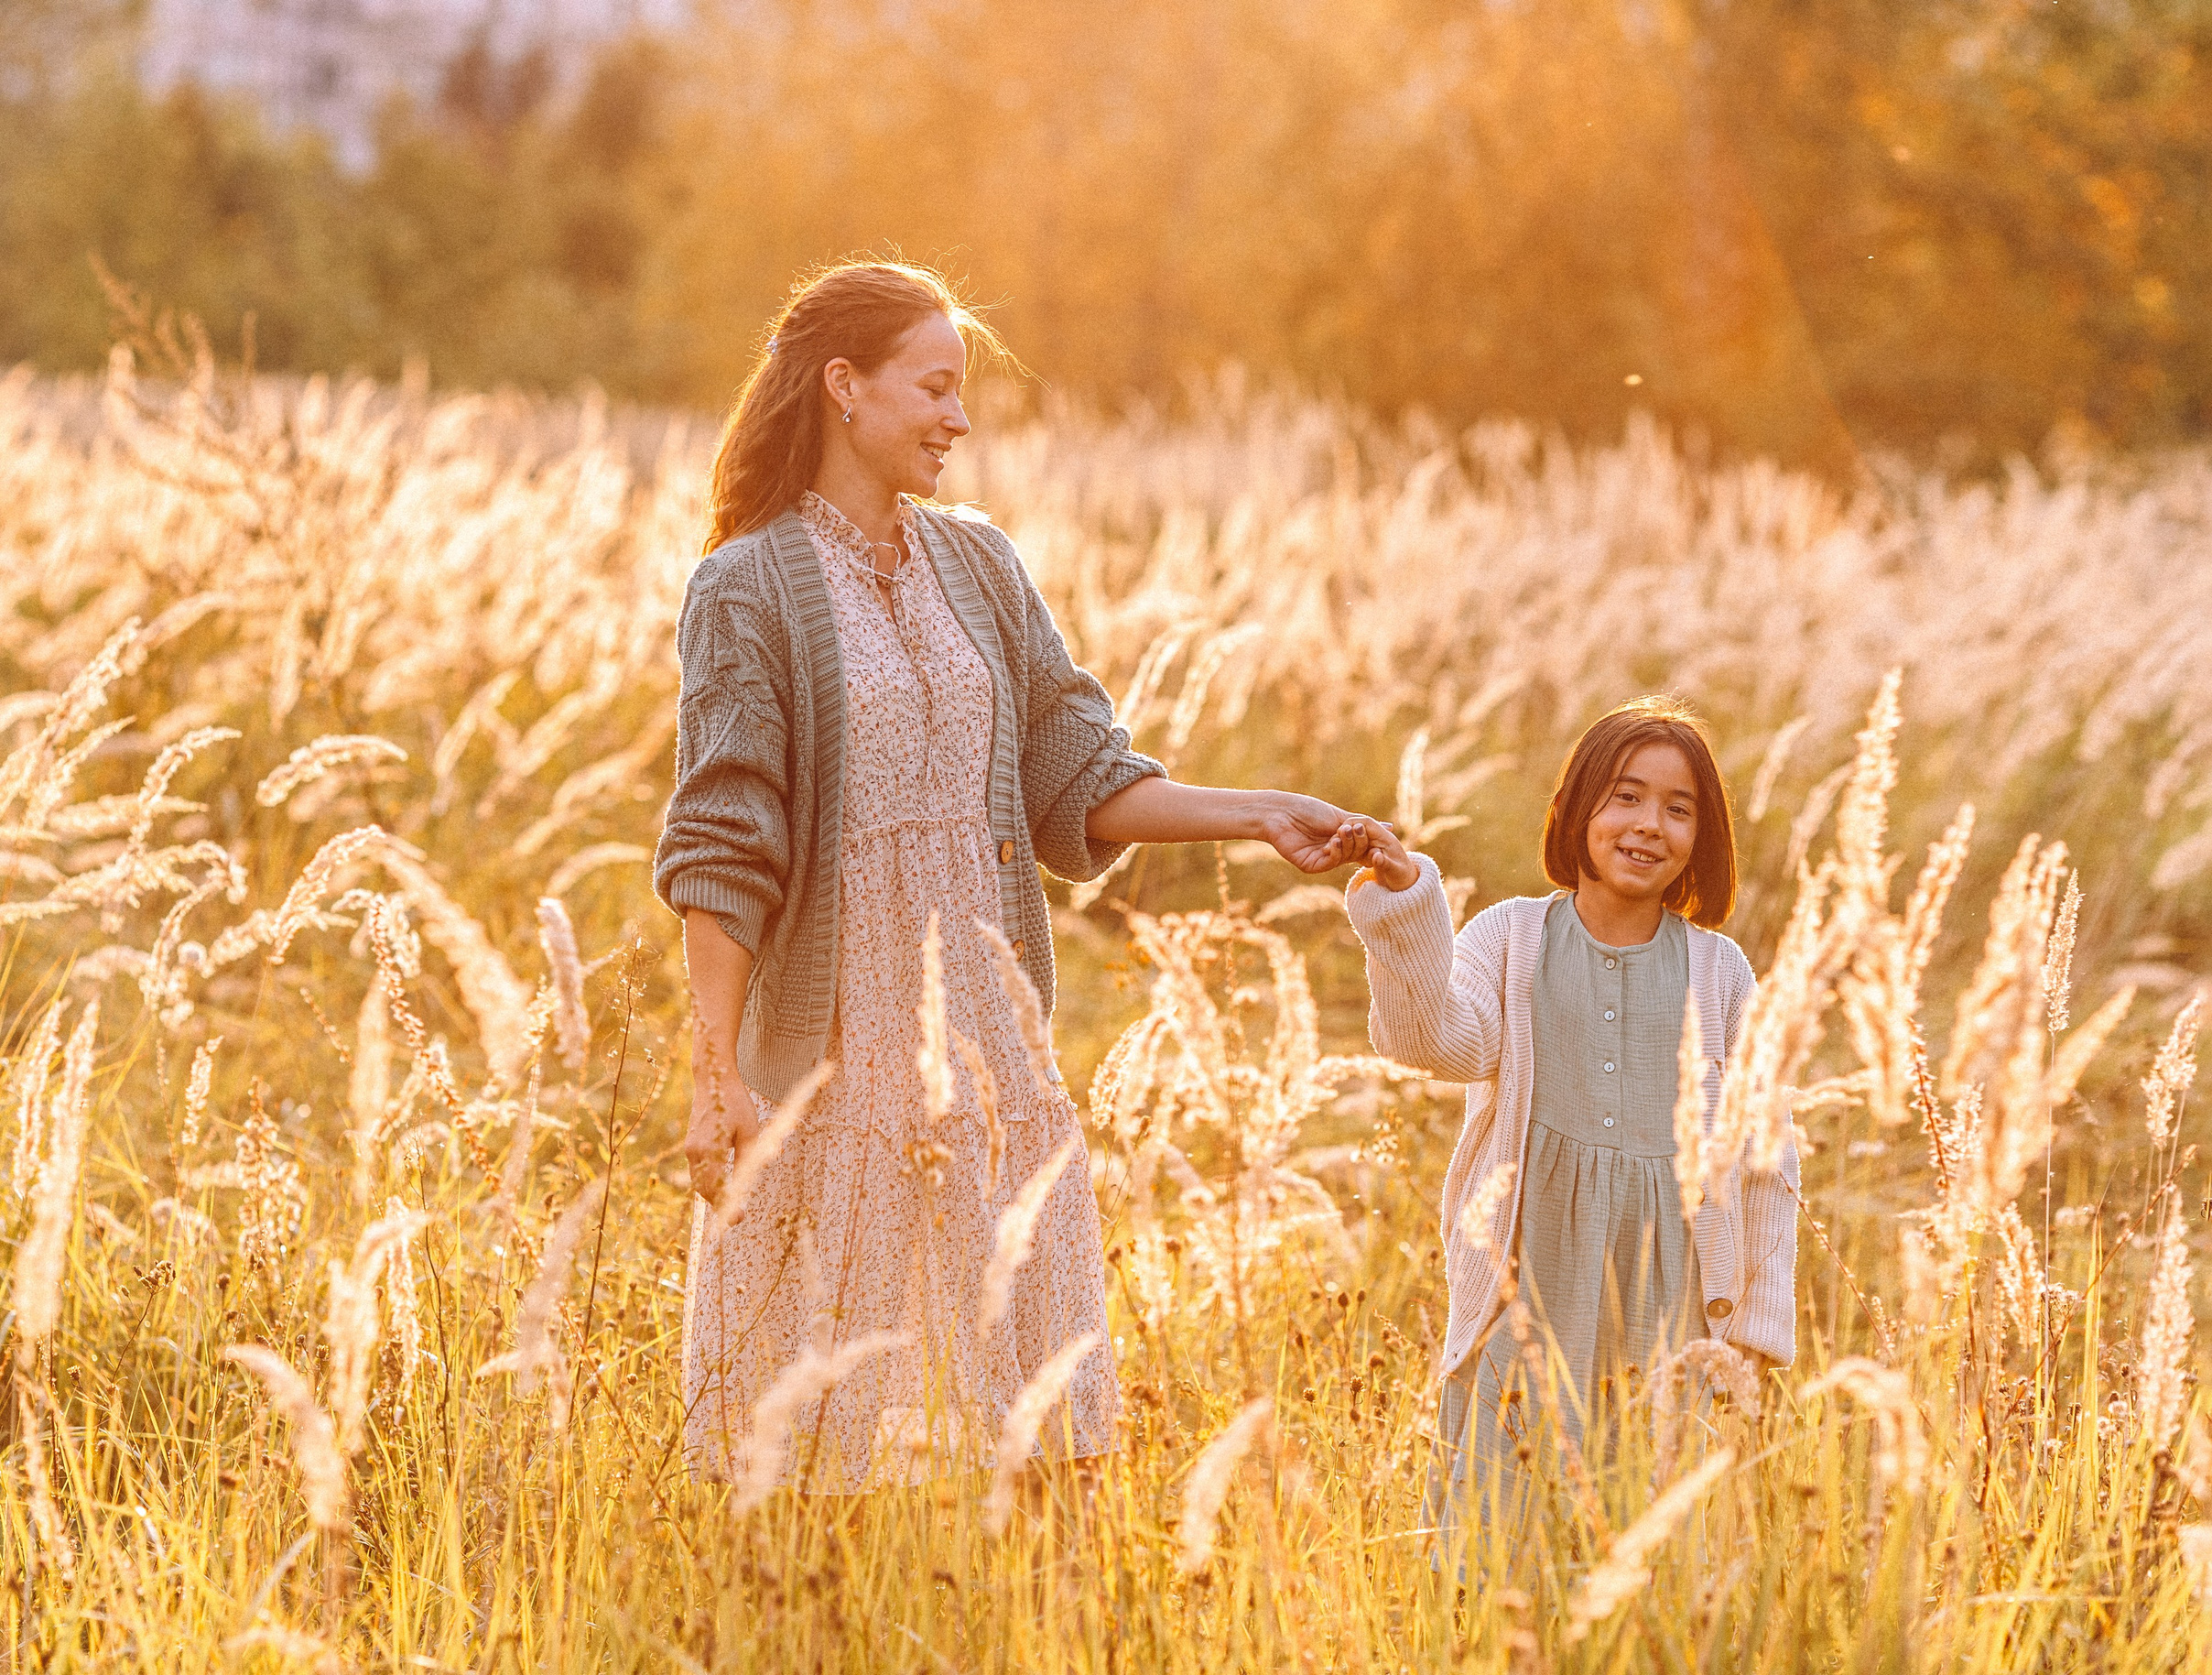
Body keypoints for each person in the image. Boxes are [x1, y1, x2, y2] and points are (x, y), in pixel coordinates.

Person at [653, 260, 1374, 1493]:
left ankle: (1022, 1596)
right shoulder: (746, 586)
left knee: (1035, 1436)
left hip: (990, 1040)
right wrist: (717, 1069)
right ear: (844, 386)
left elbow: (1077, 770)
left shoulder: (980, 563)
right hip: (836, 1049)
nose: (960, 417)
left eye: (960, 391)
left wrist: (1258, 814)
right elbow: (725, 838)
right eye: (935, 387)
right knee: (821, 1443)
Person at [1344, 696, 1796, 1555]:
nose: (1649, 824)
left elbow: (1767, 1151)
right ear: (1577, 806)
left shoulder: (1720, 970)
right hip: (1526, 1281)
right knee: (1495, 1525)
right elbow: (1434, 1038)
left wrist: (1759, 1332)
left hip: (1668, 1299)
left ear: (1703, 837)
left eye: (1678, 808)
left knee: (1653, 1533)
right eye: (1626, 796)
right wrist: (1405, 905)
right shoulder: (1511, 938)